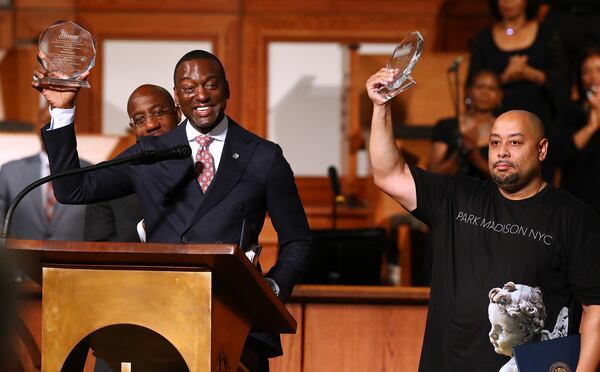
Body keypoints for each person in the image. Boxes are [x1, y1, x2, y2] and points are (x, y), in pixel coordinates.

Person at [33, 50, 312, 372]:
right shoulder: (150, 153)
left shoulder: (263, 156)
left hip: (235, 325)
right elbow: (73, 189)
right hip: (159, 324)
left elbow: (298, 240)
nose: (202, 95)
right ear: (179, 97)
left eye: (210, 85)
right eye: (189, 87)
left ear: (227, 88)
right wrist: (63, 110)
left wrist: (271, 289)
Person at [366, 68, 600, 371]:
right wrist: (381, 107)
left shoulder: (575, 218)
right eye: (494, 143)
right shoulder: (456, 195)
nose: (502, 152)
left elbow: (595, 309)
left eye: (515, 143)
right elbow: (388, 175)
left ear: (542, 150)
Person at [84, 84, 180, 243]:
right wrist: (144, 230)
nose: (151, 125)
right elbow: (97, 254)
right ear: (133, 128)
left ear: (178, 114)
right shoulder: (109, 177)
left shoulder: (203, 163)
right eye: (140, 120)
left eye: (158, 112)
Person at [468, 0, 568, 139]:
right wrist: (504, 77)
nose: (508, 3)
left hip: (540, 117)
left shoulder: (547, 34)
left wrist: (529, 73)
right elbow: (472, 85)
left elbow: (562, 80)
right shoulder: (483, 39)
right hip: (498, 119)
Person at [0, 111, 90, 240]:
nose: (51, 125)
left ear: (74, 127)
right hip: (21, 256)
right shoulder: (10, 171)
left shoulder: (90, 172)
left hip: (74, 257)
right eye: (45, 120)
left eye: (58, 120)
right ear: (35, 127)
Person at [429, 70, 502, 179]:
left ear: (499, 95)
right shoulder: (446, 126)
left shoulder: (504, 129)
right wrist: (460, 151)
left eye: (491, 88)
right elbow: (433, 172)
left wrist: (476, 157)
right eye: (480, 87)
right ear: (469, 91)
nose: (485, 93)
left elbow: (504, 178)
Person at [554, 46, 600, 214]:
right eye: (586, 72)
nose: (593, 77)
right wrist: (591, 127)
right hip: (578, 199)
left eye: (598, 70)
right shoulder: (571, 110)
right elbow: (559, 154)